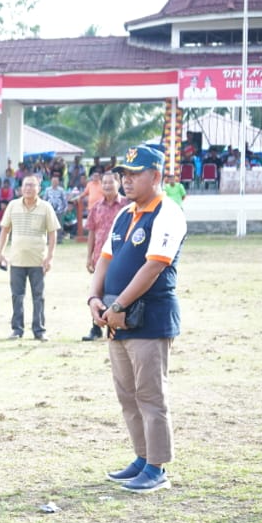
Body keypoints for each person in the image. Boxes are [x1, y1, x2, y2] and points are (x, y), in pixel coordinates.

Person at [87, 145, 187, 493]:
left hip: (149, 318)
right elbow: (105, 259)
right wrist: (94, 298)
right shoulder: (125, 213)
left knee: (150, 395)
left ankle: (157, 467)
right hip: (117, 320)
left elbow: (155, 265)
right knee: (128, 394)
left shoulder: (168, 213)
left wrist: (119, 306)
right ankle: (142, 457)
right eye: (124, 174)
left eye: (134, 174)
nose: (126, 180)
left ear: (156, 176)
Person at [0, 175, 58, 340]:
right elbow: (5, 230)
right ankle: (17, 329)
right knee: (17, 296)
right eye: (25, 185)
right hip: (16, 259)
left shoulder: (45, 207)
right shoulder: (13, 205)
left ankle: (39, 330)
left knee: (38, 296)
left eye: (32, 185)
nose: (28, 188)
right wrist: (0, 253)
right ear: (20, 188)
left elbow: (52, 234)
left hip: (38, 260)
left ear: (39, 188)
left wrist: (50, 257)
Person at [82, 172, 130, 341]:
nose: (107, 186)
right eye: (105, 183)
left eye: (111, 182)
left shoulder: (128, 205)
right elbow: (92, 233)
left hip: (122, 256)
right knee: (98, 291)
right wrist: (89, 257)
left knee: (120, 290)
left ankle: (118, 325)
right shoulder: (96, 207)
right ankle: (96, 327)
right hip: (100, 257)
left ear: (118, 183)